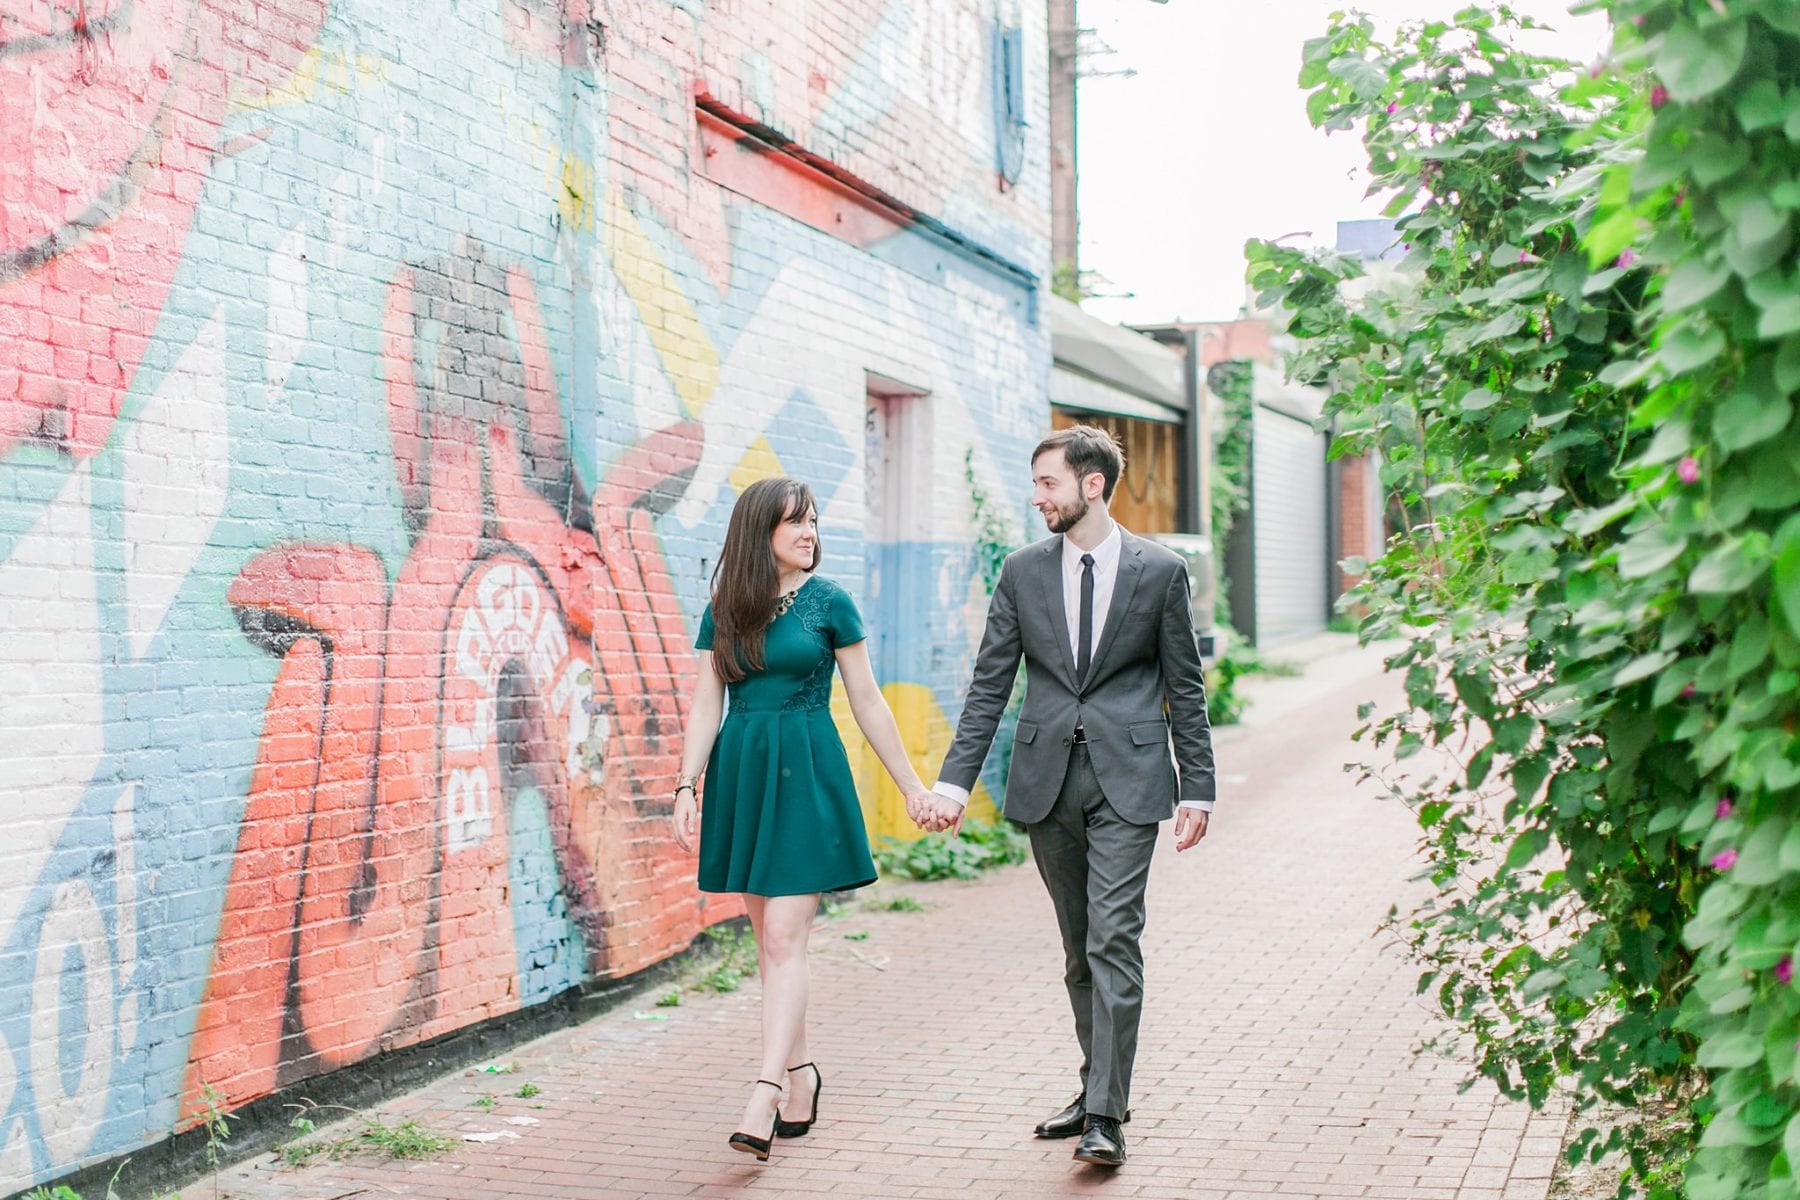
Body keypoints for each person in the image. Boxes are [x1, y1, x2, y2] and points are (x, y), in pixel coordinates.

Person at [912, 425, 1216, 1168]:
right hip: (1047, 780)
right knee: (1079, 946)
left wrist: (1198, 787)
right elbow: (990, 684)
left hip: (1131, 779)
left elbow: (1185, 684)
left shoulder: (1159, 571)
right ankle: (1094, 1089)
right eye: (1036, 483)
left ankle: (1107, 1116)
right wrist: (954, 782)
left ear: (1091, 484)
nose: (1037, 495)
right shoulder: (1022, 571)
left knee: (1114, 937)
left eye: (1048, 482)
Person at [671, 476, 935, 1163]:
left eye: (814, 520)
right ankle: (803, 1073)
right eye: (796, 522)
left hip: (807, 775)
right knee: (771, 946)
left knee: (785, 939)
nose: (810, 532)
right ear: (761, 533)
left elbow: (870, 701)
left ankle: (762, 1091)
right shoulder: (726, 608)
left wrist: (910, 787)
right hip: (744, 775)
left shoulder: (830, 604)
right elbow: (707, 705)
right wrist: (685, 783)